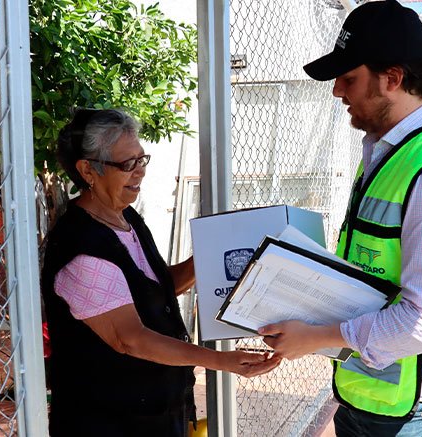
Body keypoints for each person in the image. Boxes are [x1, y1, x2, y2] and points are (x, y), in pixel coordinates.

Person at [258, 1, 422, 436]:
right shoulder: (385, 153)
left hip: (414, 414)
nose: (337, 91)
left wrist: (317, 336)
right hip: (366, 397)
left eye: (349, 79)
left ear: (392, 79)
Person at [42, 108, 280, 436]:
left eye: (142, 160)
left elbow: (157, 287)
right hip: (108, 422)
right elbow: (131, 339)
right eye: (127, 164)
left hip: (157, 412)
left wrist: (217, 255)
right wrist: (222, 361)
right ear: (88, 170)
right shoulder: (81, 248)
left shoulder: (125, 219)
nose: (139, 173)